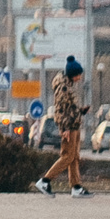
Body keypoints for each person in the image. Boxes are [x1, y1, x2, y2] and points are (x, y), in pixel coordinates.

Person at [35, 56, 90, 196]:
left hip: (74, 125)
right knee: (67, 156)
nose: (80, 78)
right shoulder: (63, 87)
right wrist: (64, 128)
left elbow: (69, 107)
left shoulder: (68, 85)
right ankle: (45, 181)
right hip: (69, 127)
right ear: (73, 74)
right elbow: (60, 109)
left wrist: (80, 111)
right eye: (78, 75)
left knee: (74, 156)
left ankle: (76, 187)